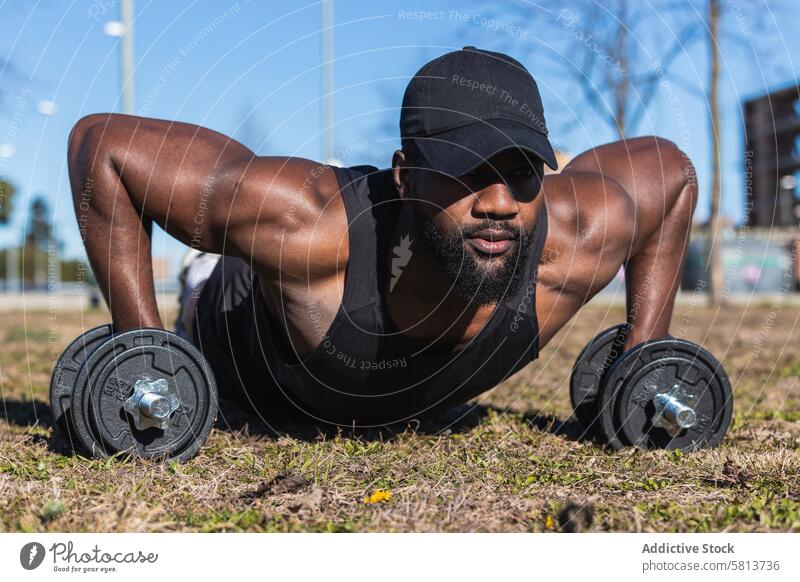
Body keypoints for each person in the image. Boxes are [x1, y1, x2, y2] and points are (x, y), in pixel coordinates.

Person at [67, 47, 697, 426]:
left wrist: (644, 351)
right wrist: (142, 348)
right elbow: (102, 145)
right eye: (464, 174)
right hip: (234, 311)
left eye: (520, 172)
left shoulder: (575, 238)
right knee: (215, 274)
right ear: (404, 175)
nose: (500, 204)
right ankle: (197, 277)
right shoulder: (309, 224)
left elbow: (670, 172)